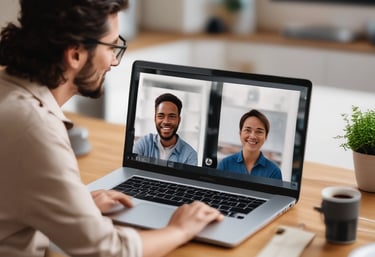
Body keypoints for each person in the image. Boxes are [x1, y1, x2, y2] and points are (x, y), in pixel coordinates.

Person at [0, 1, 223, 257]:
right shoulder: (36, 132)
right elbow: (110, 252)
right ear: (74, 54)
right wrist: (180, 230)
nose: (114, 62)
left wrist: (75, 206)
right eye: (112, 47)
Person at [133, 93, 198, 165]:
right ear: (155, 118)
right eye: (161, 116)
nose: (166, 121)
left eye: (172, 116)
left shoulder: (190, 155)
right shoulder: (144, 144)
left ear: (179, 120)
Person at [217, 109, 282, 180]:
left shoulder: (274, 172)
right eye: (248, 130)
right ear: (240, 133)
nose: (253, 136)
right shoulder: (225, 164)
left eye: (259, 132)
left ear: (266, 137)